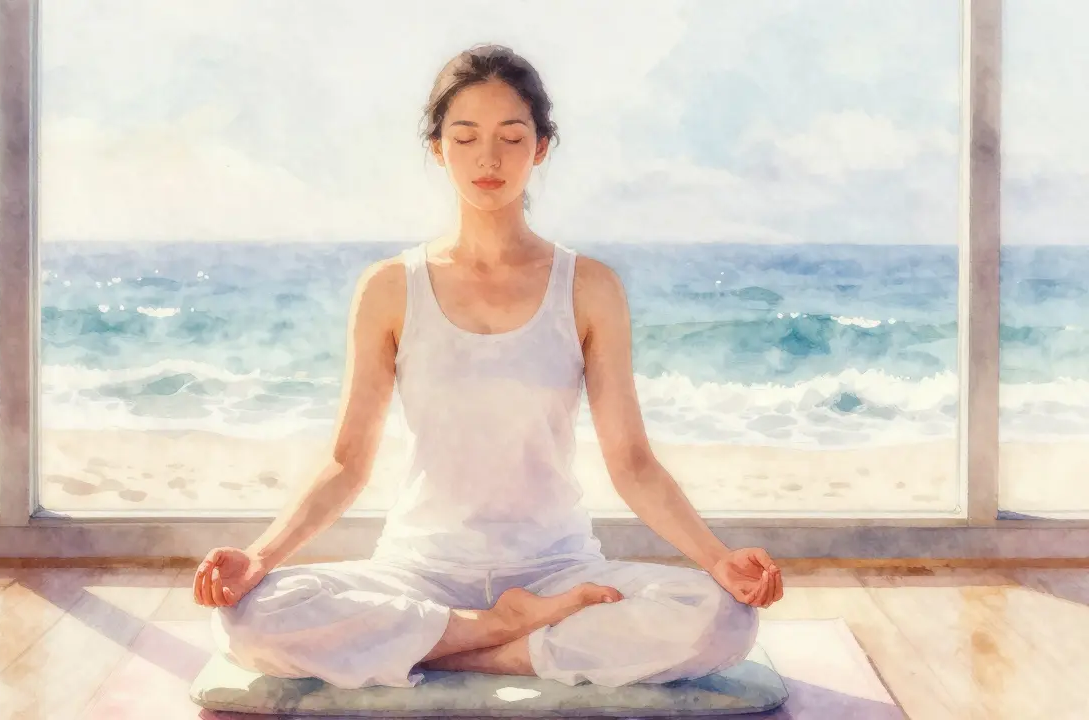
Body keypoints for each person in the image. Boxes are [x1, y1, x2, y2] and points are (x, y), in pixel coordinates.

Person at [194, 43, 783, 691]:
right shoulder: (391, 287)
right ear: (437, 148)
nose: (489, 158)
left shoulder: (588, 286)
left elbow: (633, 463)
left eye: (511, 136)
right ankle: (500, 630)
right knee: (252, 615)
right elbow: (346, 464)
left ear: (541, 148)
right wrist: (258, 557)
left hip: (559, 569)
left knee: (723, 618)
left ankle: (464, 645)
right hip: (420, 569)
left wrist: (719, 560)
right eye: (466, 136)